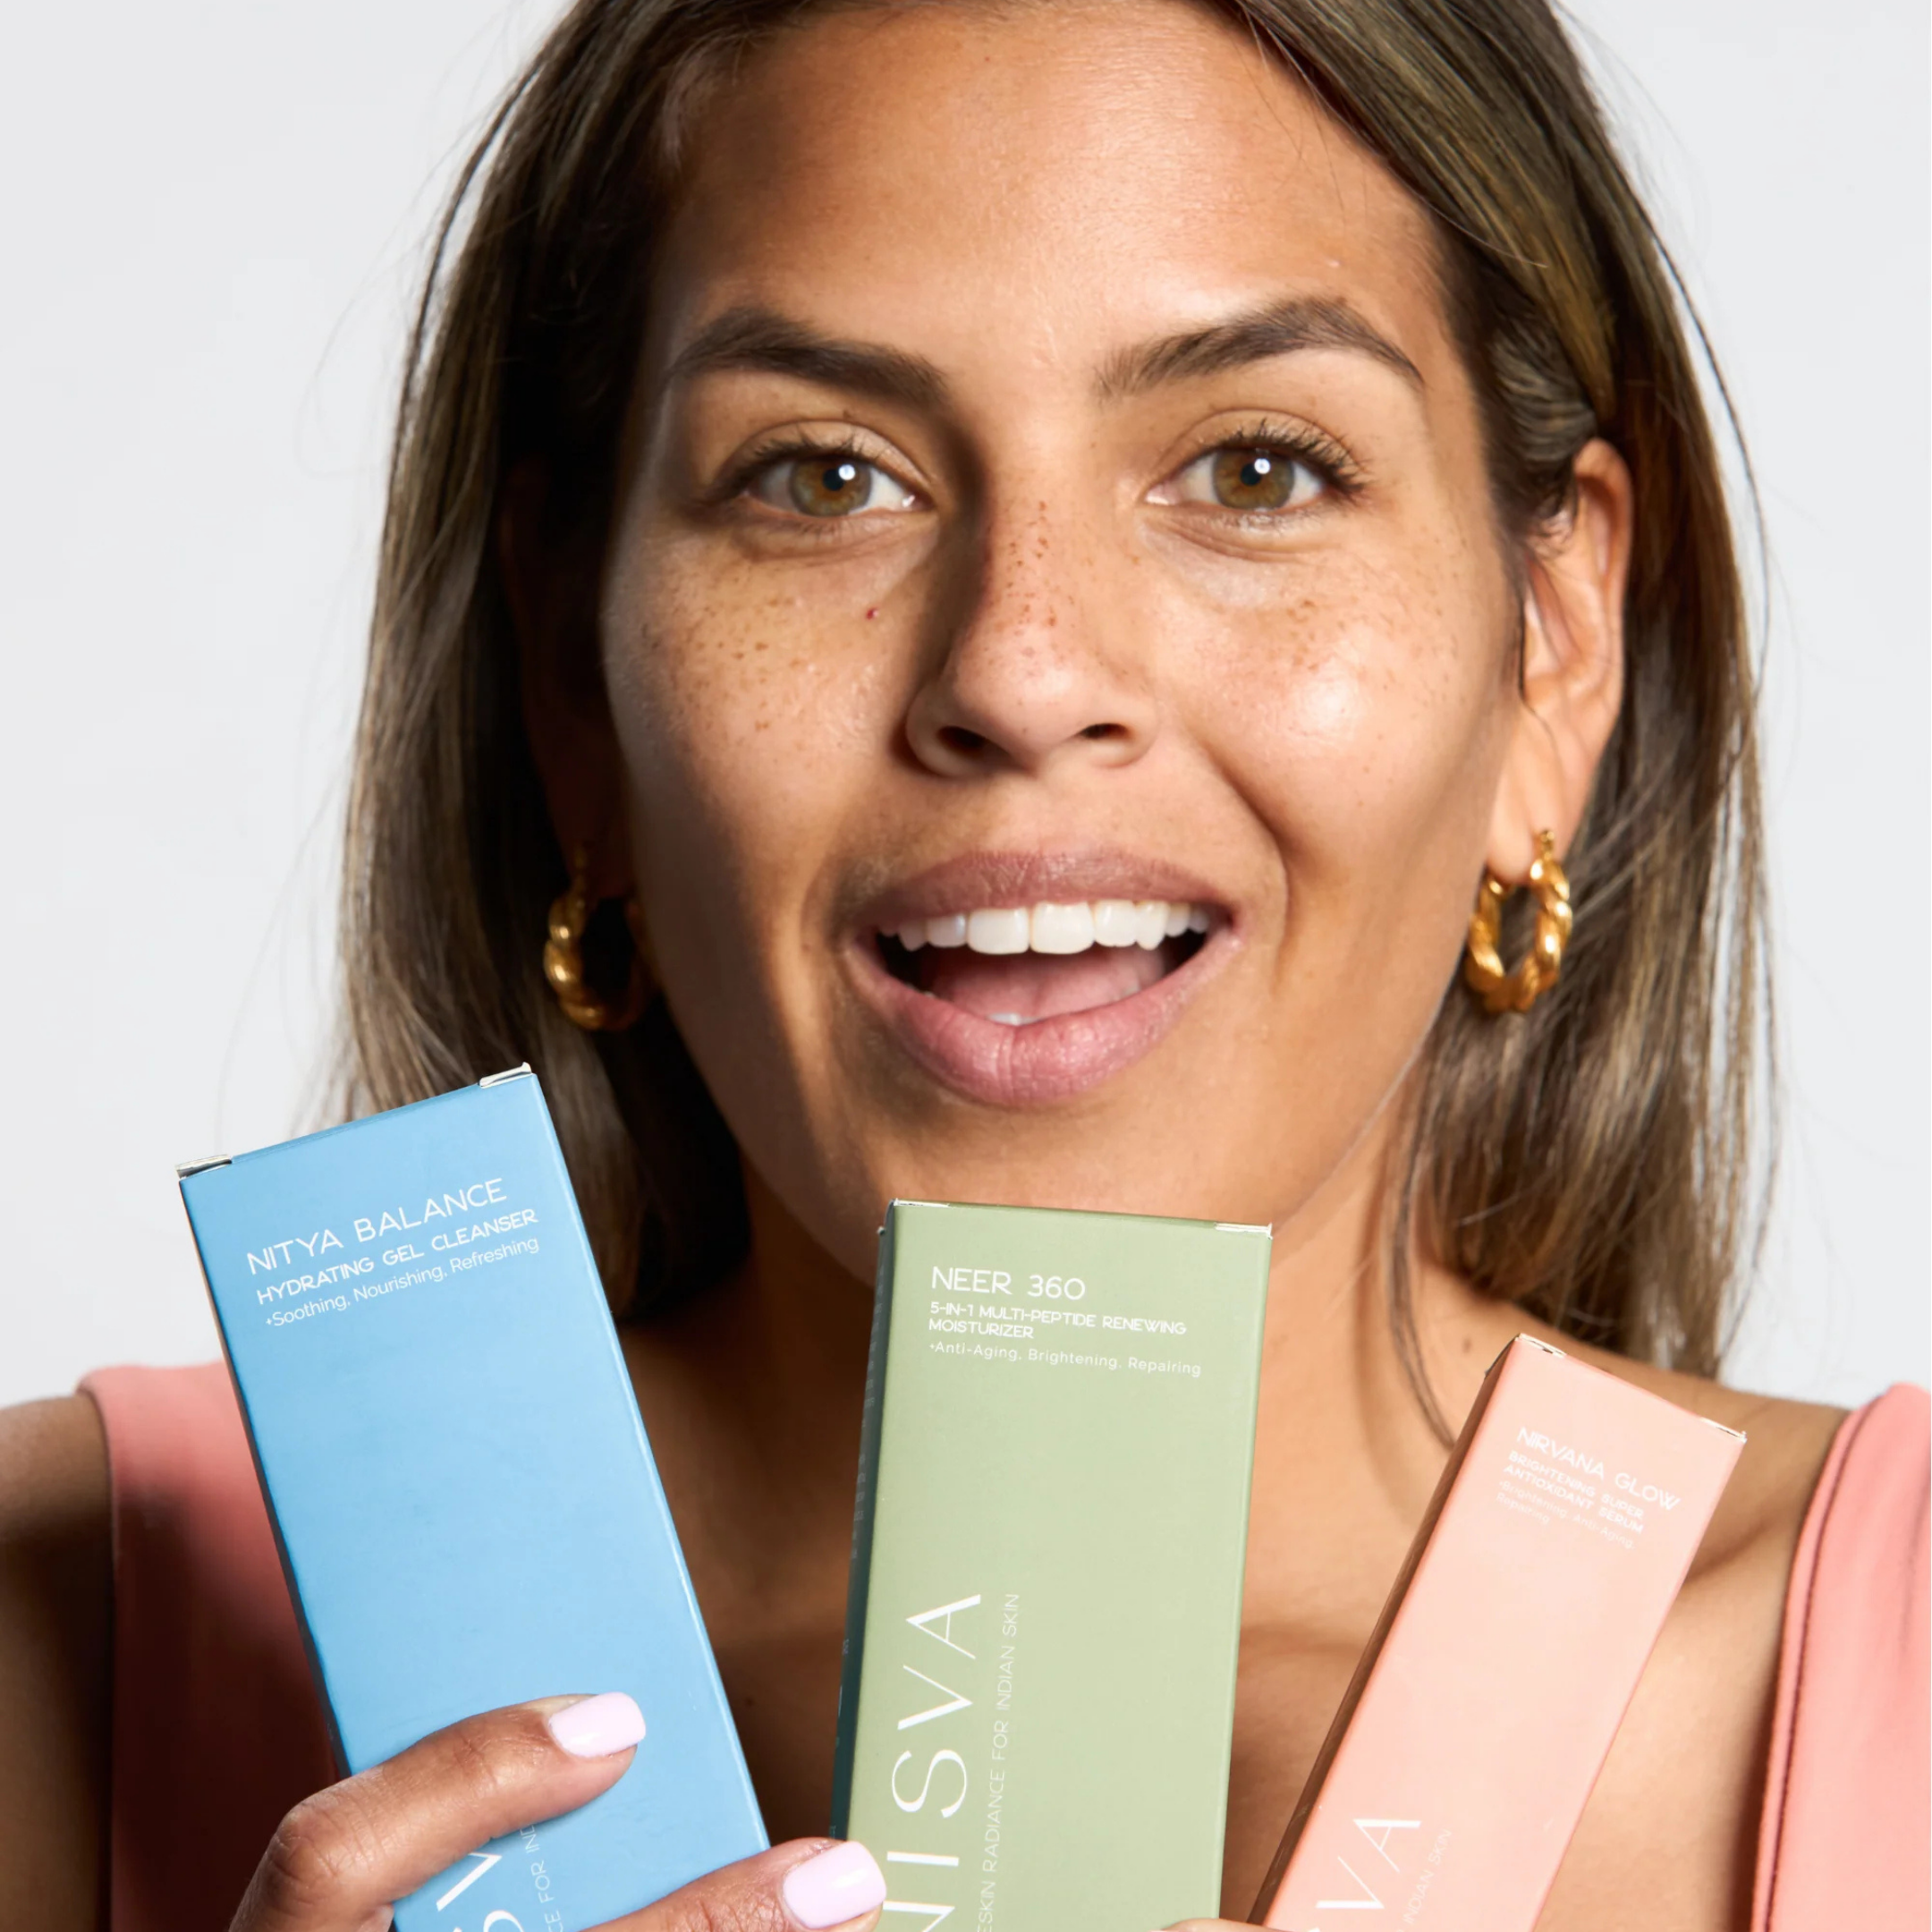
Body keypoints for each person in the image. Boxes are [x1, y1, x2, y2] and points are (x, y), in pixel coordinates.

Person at [2, 0, 1925, 1928]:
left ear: (1553, 644)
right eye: (821, 477)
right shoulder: (41, 1637)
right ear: (568, 685)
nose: (1019, 671)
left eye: (1255, 470)